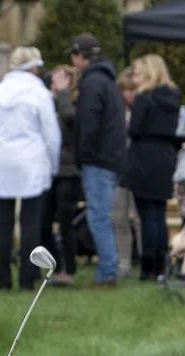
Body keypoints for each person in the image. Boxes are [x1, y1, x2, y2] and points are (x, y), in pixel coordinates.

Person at [0, 47, 60, 291]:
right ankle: (28, 278)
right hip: (31, 161)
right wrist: (53, 165)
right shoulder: (39, 93)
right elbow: (51, 135)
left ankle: (3, 279)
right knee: (30, 223)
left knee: (3, 223)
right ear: (34, 67)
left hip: (2, 160)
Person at [69, 33, 127, 288]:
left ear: (81, 55)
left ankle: (107, 272)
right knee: (103, 215)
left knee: (98, 217)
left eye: (73, 55)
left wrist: (83, 156)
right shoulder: (108, 80)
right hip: (111, 158)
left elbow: (89, 124)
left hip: (98, 160)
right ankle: (109, 268)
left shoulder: (92, 83)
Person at [123, 55, 182, 281]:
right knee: (159, 214)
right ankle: (162, 264)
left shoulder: (144, 98)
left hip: (144, 157)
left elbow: (134, 130)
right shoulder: (173, 97)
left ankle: (149, 268)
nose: (134, 77)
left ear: (149, 74)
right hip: (165, 155)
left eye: (137, 73)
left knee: (147, 215)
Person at [46, 65, 80, 286]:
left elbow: (70, 119)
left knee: (66, 221)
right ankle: (53, 265)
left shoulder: (73, 102)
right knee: (44, 221)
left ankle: (69, 268)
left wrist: (62, 94)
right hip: (48, 169)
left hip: (68, 169)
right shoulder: (49, 100)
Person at [111, 67, 141, 280]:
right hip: (119, 170)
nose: (127, 94)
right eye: (124, 90)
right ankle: (123, 262)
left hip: (138, 169)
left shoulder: (144, 110)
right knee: (119, 217)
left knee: (139, 218)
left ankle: (144, 257)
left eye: (132, 90)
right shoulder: (117, 113)